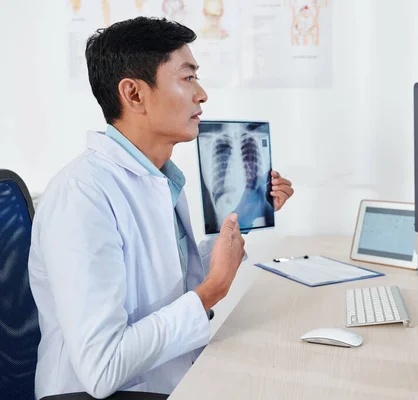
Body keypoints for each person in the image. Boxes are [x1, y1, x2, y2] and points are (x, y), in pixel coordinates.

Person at [28, 17, 294, 398]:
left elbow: (167, 274)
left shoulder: (159, 178)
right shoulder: (82, 196)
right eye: (187, 78)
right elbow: (102, 369)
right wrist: (213, 289)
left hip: (168, 379)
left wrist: (245, 217)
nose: (202, 94)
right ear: (134, 94)